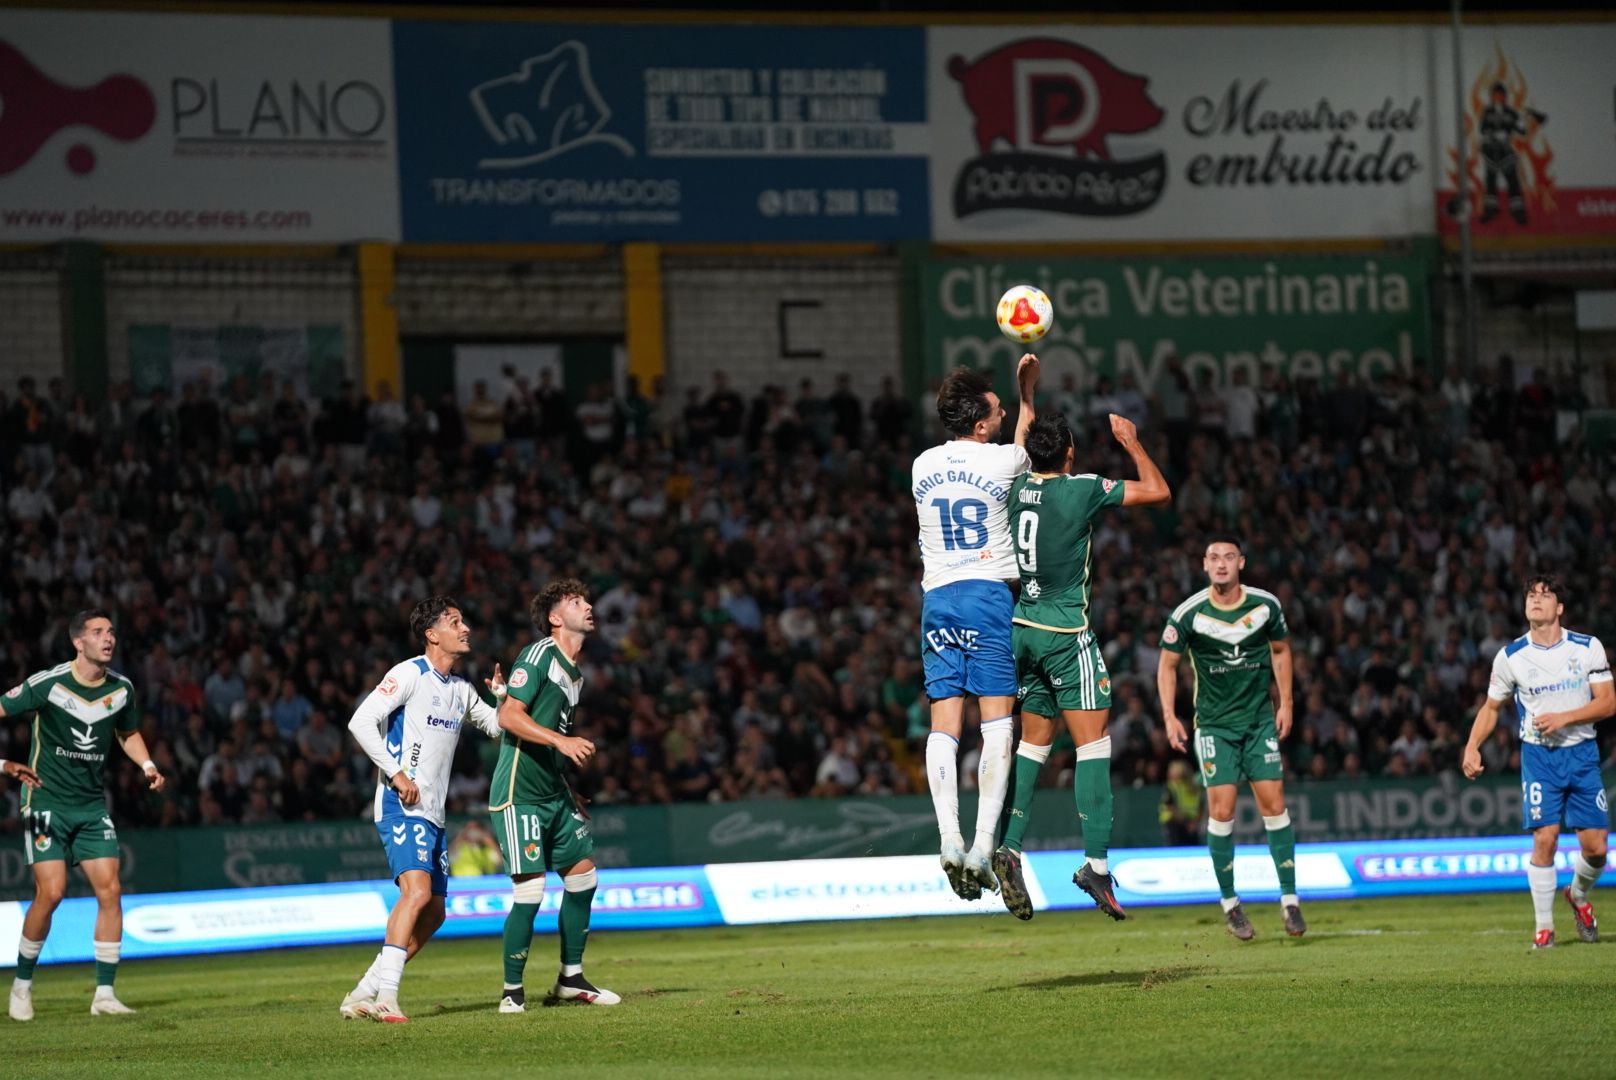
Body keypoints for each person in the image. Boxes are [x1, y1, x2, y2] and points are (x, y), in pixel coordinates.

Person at [993, 412, 1170, 921]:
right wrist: (1132, 442)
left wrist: (1026, 394)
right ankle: (1095, 863)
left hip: (1021, 629)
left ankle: (1009, 845)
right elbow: (1157, 491)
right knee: (1093, 744)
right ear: (1069, 454)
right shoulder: (1082, 489)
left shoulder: (1015, 485)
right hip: (1067, 634)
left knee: (1034, 745)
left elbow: (1024, 442)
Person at [339, 596, 511, 1023]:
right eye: (455, 621)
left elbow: (495, 728)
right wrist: (397, 775)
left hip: (434, 813)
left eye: (463, 619)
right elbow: (360, 721)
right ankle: (388, 997)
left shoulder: (460, 689)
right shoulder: (409, 673)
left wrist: (504, 700)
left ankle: (362, 992)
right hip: (401, 804)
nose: (465, 627)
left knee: (434, 913)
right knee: (415, 894)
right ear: (432, 634)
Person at [910, 358, 1038, 900]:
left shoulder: (921, 464)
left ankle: (947, 839)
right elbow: (1030, 444)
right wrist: (1027, 390)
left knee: (944, 723)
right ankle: (983, 845)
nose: (1005, 412)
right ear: (982, 425)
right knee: (997, 724)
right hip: (988, 594)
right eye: (997, 409)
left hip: (938, 599)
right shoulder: (1004, 460)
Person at [3, 610, 166, 1022]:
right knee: (51, 892)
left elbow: (127, 733)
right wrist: (3, 763)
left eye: (111, 632)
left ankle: (105, 995)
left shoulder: (122, 689)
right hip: (43, 802)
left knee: (110, 891)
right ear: (79, 642)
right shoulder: (49, 683)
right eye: (97, 632)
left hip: (91, 807)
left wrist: (146, 765)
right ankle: (21, 985)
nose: (108, 638)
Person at [1157, 540, 1303, 941]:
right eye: (1214, 558)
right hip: (1215, 727)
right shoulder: (1188, 614)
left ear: (1241, 563)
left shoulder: (1265, 606)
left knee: (1275, 803)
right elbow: (1167, 666)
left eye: (1228, 558)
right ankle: (1230, 904)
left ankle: (1290, 901)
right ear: (1204, 565)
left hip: (1258, 722)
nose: (1221, 565)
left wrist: (1286, 702)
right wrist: (1170, 717)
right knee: (1220, 812)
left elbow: (1281, 650)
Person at [1463, 575, 1613, 948]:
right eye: (1531, 595)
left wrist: (1564, 718)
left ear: (1559, 608)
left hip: (1581, 754)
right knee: (1544, 839)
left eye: (1545, 595)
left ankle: (1577, 896)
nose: (1536, 600)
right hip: (1539, 757)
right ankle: (1544, 929)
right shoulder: (1511, 656)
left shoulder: (1586, 647)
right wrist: (1472, 744)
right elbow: (1492, 707)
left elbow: (1608, 703)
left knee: (1596, 849)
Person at [490, 580, 616, 1011]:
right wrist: (561, 745)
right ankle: (511, 992)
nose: (589, 605)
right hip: (519, 794)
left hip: (554, 792)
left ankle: (571, 978)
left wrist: (568, 787)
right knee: (531, 892)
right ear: (556, 618)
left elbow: (553, 729)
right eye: (577, 602)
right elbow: (509, 715)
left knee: (584, 878)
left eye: (586, 599)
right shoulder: (539, 654)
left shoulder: (575, 672)